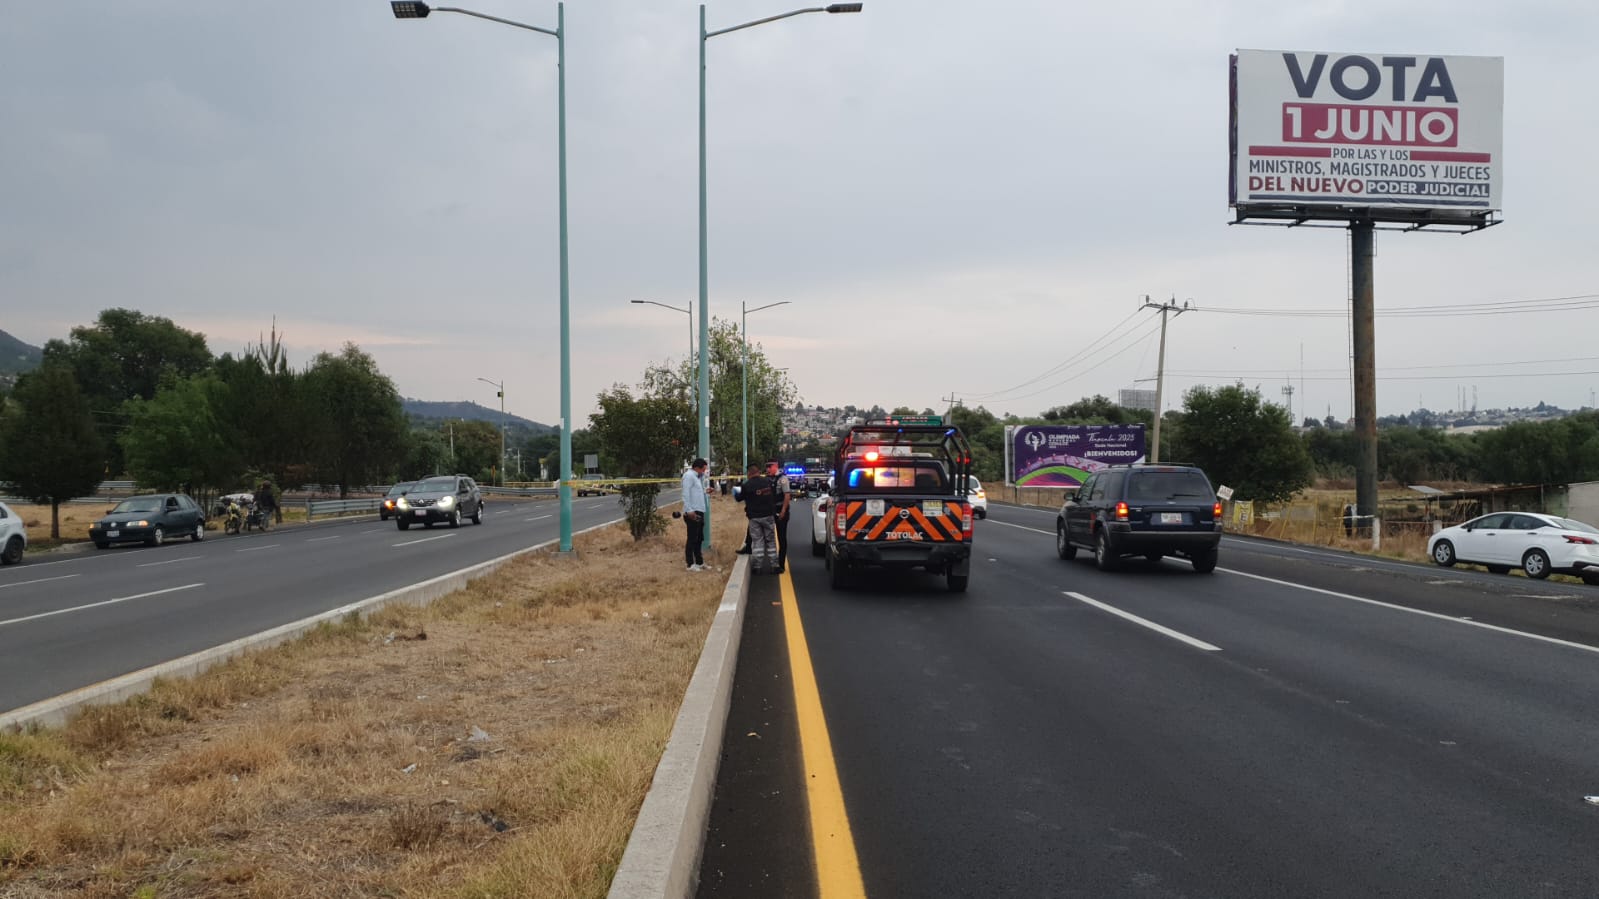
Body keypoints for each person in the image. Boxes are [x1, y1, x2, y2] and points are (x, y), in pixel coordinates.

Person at [740, 462, 778, 573]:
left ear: (749, 473)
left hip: (754, 517)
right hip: (768, 516)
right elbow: (774, 495)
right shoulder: (768, 482)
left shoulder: (746, 485)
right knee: (770, 541)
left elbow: (740, 498)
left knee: (757, 542)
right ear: (758, 472)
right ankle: (774, 565)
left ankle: (757, 567)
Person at [681, 458, 709, 571]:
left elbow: (696, 493)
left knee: (699, 538)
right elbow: (686, 493)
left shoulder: (697, 478)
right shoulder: (689, 476)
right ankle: (690, 564)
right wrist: (689, 510)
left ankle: (699, 562)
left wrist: (706, 491)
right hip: (692, 511)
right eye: (703, 469)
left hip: (699, 510)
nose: (704, 472)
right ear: (697, 467)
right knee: (692, 538)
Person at [767, 460, 793, 574]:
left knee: (781, 537)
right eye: (766, 467)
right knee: (769, 537)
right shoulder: (767, 479)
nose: (767, 469)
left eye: (769, 466)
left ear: (775, 466)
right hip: (770, 510)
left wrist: (783, 511)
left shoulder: (783, 479)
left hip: (780, 510)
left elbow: (787, 495)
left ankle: (781, 564)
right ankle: (772, 563)